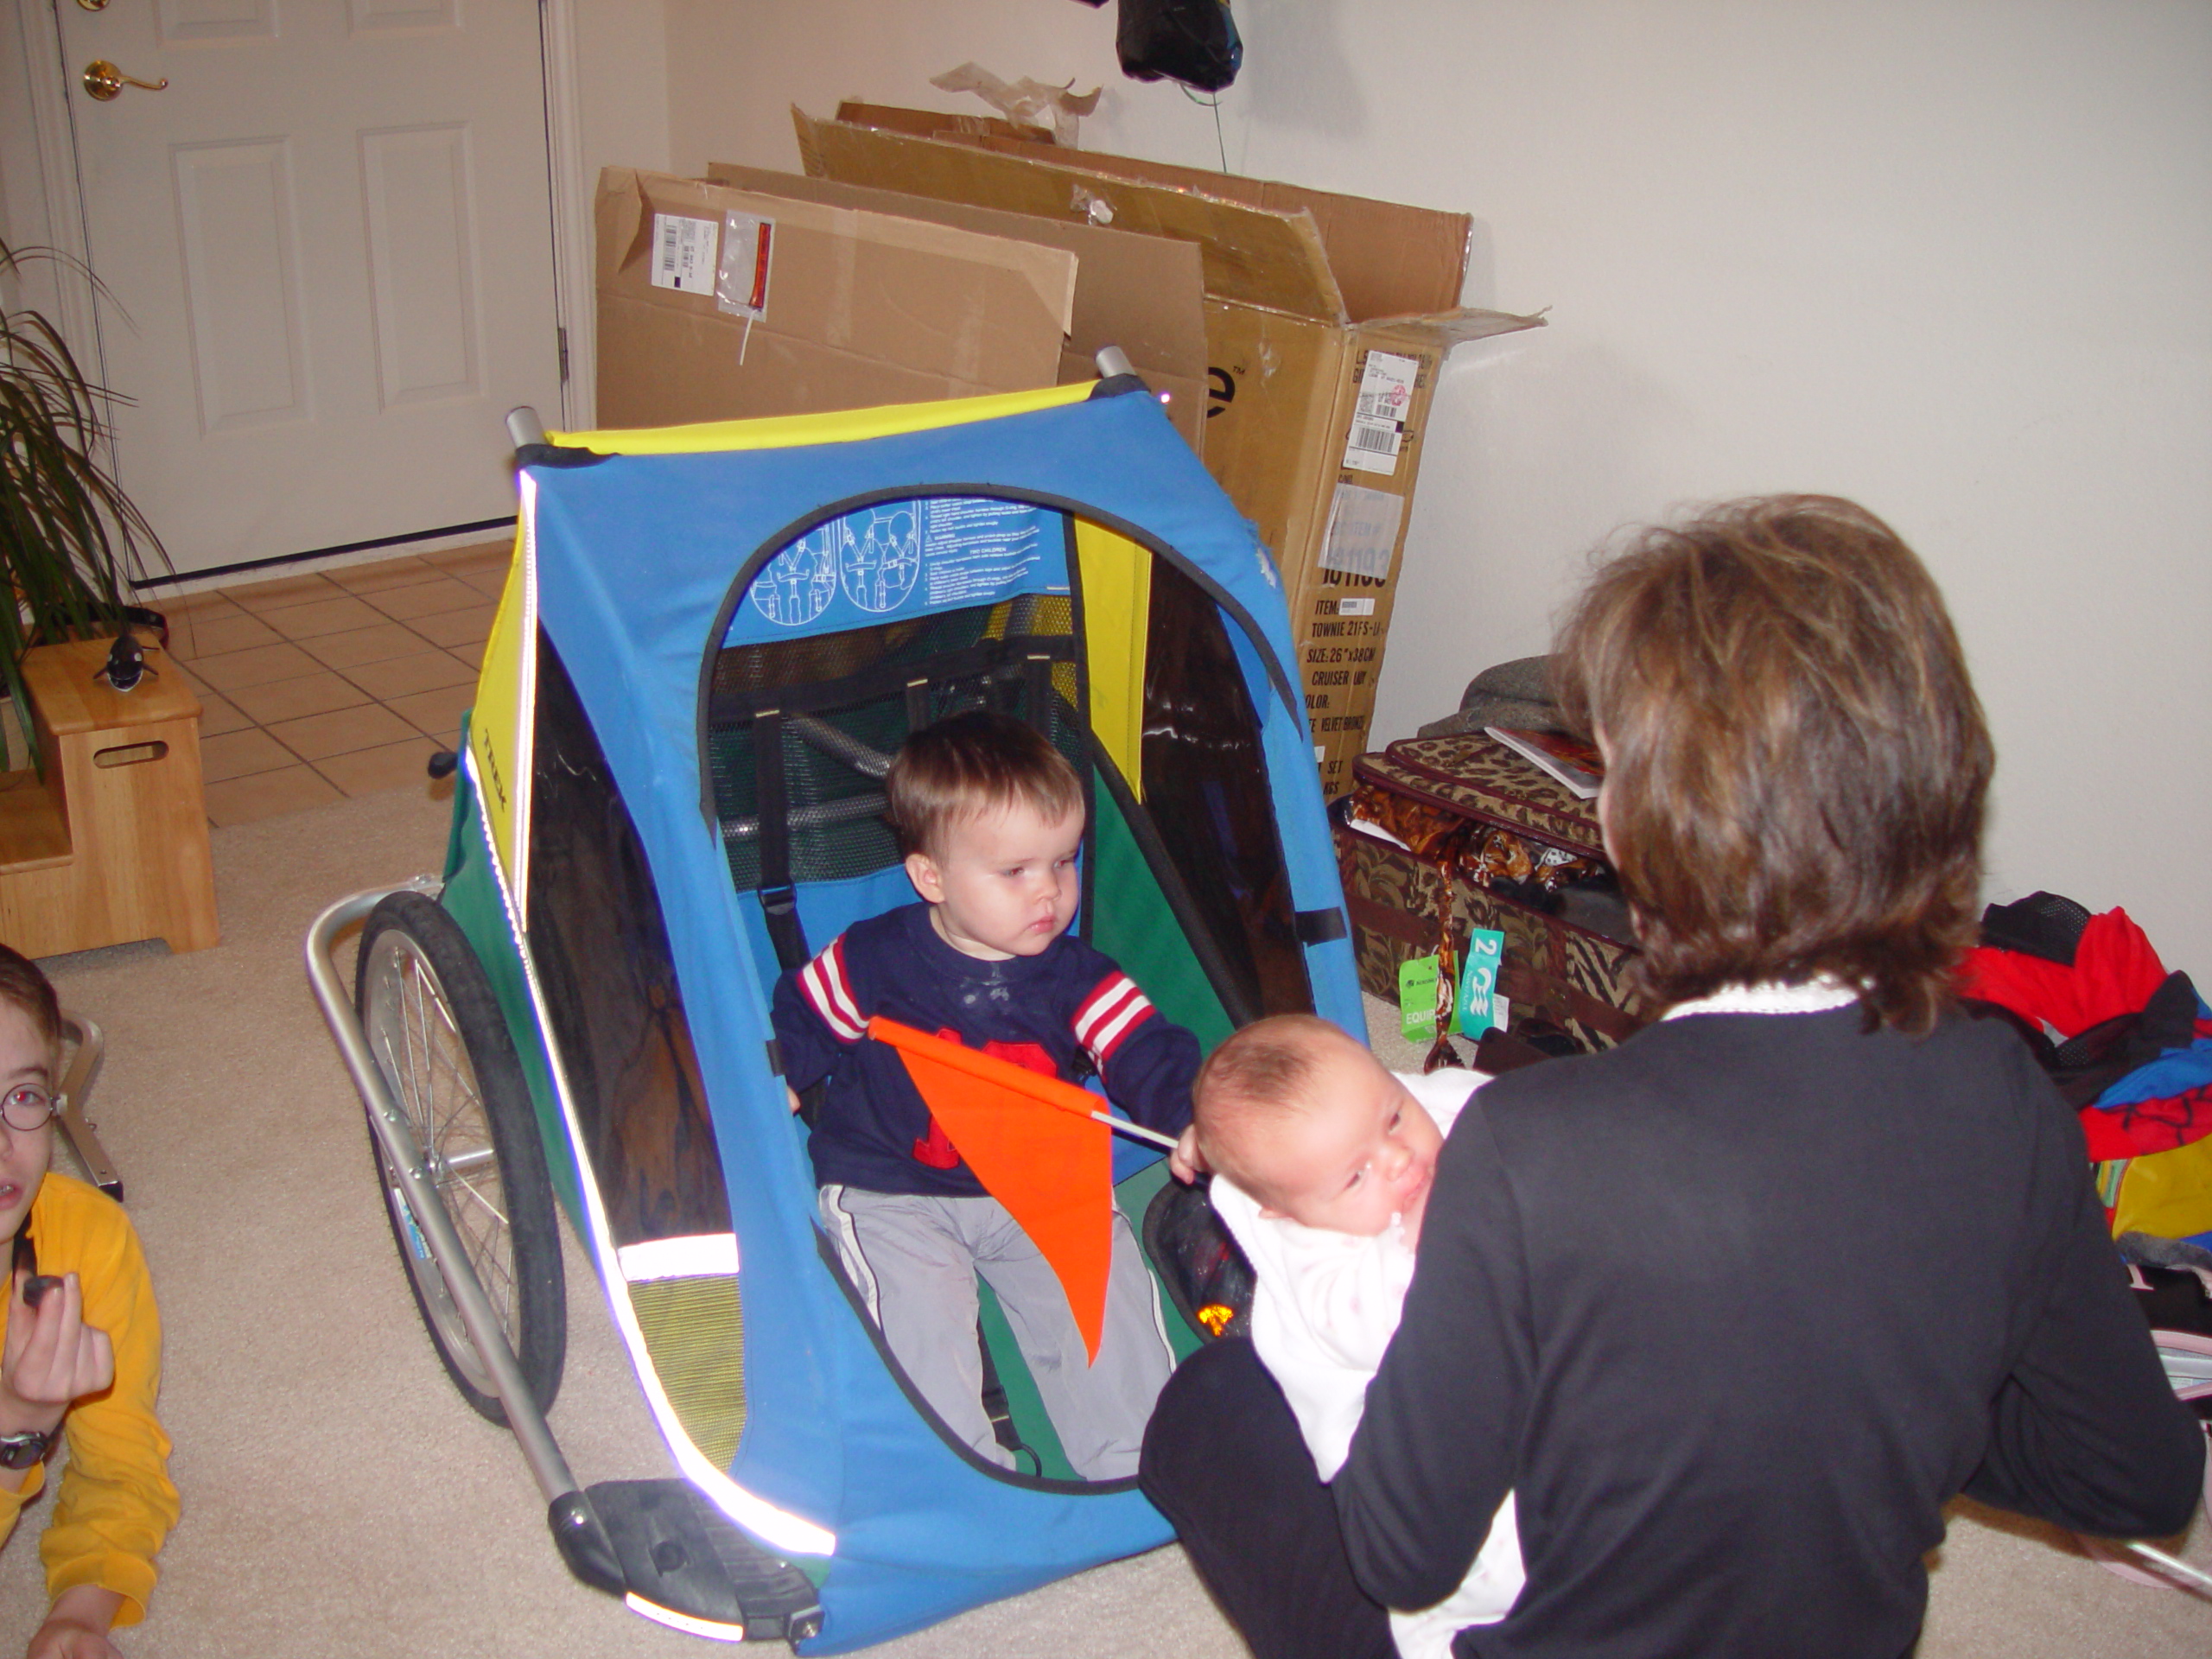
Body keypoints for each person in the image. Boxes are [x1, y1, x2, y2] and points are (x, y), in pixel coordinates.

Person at [1141, 496, 2205, 1658]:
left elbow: (1402, 1553)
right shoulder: (2005, 1093)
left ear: (1646, 820)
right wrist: (1874, 1392)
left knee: (1213, 1410)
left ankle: (1266, 1261)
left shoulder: (1529, 1144)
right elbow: (2137, 1481)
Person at [773, 709, 1198, 1478]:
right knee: (919, 1332)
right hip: (891, 1186)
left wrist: (1191, 1119)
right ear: (930, 876)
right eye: (1015, 872)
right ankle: (961, 1480)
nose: (1050, 894)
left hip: (1035, 1182)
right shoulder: (874, 960)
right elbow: (801, 1015)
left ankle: (1139, 1465)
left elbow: (1146, 1050)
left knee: (1105, 1312)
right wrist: (785, 1078)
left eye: (1064, 863)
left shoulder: (1079, 978)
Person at [1185, 1014, 1522, 1659]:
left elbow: (1512, 1117)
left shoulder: (1415, 1111)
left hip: (1507, 1389)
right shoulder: (1319, 1268)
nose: (1399, 1160)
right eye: (1355, 1177)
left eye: (1393, 1117)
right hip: (1401, 1473)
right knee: (1507, 1560)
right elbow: (1388, 1323)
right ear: (1283, 1212)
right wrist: (1433, 1220)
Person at [0, 947, 178, 1659]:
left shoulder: (82, 1238)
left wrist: (78, 1613)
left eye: (20, 1097)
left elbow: (121, 1465)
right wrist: (16, 1432)